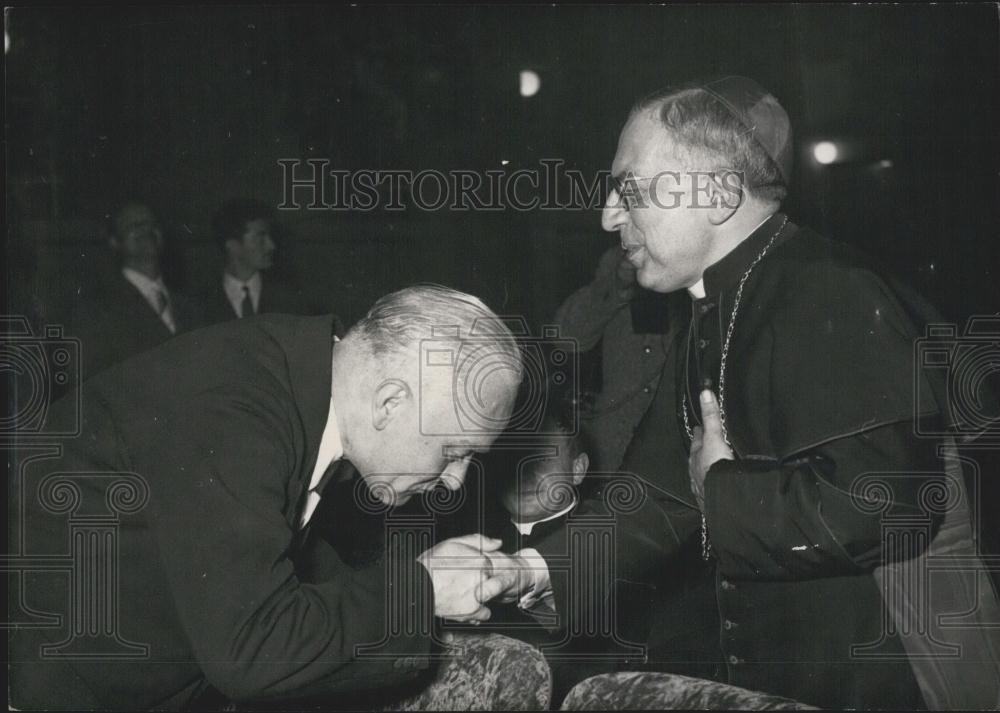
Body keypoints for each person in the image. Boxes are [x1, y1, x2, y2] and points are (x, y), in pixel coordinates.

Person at [488, 75, 1000, 709]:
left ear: (721, 194)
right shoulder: (710, 305)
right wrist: (529, 569)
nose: (608, 214)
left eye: (629, 188)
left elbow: (888, 504)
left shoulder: (829, 289)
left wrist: (723, 489)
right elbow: (661, 496)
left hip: (880, 674)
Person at [10, 285, 524, 710]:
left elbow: (281, 574)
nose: (456, 479)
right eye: (456, 450)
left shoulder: (296, 382)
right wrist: (423, 592)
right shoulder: (235, 408)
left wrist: (425, 578)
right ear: (390, 402)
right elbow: (249, 651)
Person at [552, 246, 677, 474]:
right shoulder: (618, 261)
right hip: (613, 446)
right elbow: (566, 336)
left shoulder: (696, 259)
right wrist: (617, 287)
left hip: (674, 446)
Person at [69, 201, 202, 380]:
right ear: (115, 242)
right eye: (134, 225)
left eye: (152, 224)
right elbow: (87, 388)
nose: (146, 230)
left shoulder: (191, 306)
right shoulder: (96, 310)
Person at [202, 198, 309, 323]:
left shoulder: (290, 300)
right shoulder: (200, 304)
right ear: (232, 244)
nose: (271, 245)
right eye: (260, 237)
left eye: (269, 236)